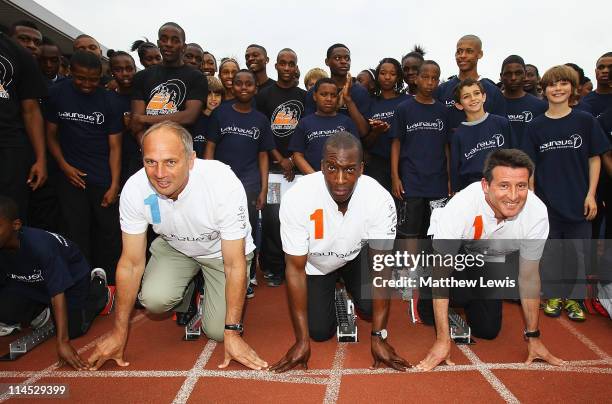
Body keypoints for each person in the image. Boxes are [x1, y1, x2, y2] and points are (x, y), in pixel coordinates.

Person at [87, 121, 267, 371]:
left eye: (170, 162)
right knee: (153, 300)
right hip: (175, 247)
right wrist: (119, 332)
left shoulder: (221, 182)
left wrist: (233, 333)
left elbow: (234, 263)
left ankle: (205, 288)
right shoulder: (135, 189)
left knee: (217, 332)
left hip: (220, 252)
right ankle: (188, 287)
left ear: (191, 160)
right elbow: (130, 263)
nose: (160, 173)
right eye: (150, 162)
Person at [271, 132, 409, 373]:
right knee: (320, 333)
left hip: (355, 256)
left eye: (350, 169)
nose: (340, 179)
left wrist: (378, 336)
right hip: (317, 264)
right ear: (322, 166)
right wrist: (302, 340)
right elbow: (294, 269)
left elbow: (382, 267)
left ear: (361, 169)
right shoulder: (298, 197)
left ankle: (351, 288)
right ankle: (335, 295)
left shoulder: (378, 198)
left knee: (368, 307)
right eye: (332, 168)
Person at [416, 149, 563, 371]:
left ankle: (466, 294)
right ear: (486, 185)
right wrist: (442, 340)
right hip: (451, 252)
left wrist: (533, 336)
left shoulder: (536, 213)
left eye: (521, 186)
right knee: (442, 298)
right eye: (504, 185)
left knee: (488, 330)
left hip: (489, 256)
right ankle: (428, 292)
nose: (513, 196)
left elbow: (529, 276)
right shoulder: (462, 206)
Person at [522, 65, 610, 322]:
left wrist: (591, 194)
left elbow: (595, 158)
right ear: (544, 89)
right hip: (548, 201)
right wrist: (532, 196)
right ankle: (552, 295)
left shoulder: (585, 121)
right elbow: (530, 165)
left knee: (578, 252)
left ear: (572, 88)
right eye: (551, 84)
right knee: (551, 251)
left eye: (563, 83)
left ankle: (574, 298)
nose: (557, 88)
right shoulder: (536, 126)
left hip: (579, 200)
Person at [0, 196, 114, 370]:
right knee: (5, 312)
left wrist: (63, 342)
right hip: (29, 281)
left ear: (15, 225)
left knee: (73, 329)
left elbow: (57, 292)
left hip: (71, 280)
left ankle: (98, 291)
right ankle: (42, 312)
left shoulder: (40, 247)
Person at [45, 50, 123, 283]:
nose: (87, 84)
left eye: (93, 79)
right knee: (76, 230)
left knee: (108, 232)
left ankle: (109, 283)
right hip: (70, 177)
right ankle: (81, 281)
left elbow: (116, 147)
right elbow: (50, 135)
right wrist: (64, 166)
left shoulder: (110, 101)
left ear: (101, 75)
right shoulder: (57, 93)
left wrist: (114, 184)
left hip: (102, 176)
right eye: (81, 78)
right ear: (69, 72)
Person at [205, 69, 275, 297]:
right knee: (219, 227)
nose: (244, 88)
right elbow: (210, 147)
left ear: (255, 88)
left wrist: (263, 188)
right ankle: (221, 273)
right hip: (221, 183)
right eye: (239, 84)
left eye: (249, 84)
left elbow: (264, 155)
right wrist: (207, 178)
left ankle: (247, 274)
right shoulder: (220, 114)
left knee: (249, 228)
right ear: (232, 87)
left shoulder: (261, 120)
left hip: (250, 183)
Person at [255, 48, 307, 286]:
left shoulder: (304, 96)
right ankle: (275, 268)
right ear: (275, 65)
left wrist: (295, 159)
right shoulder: (264, 95)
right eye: (283, 63)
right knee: (273, 219)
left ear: (296, 67)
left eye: (291, 64)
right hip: (275, 170)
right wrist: (280, 157)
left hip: (299, 171)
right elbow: (262, 131)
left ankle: (299, 266)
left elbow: (308, 131)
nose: (287, 68)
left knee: (300, 219)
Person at [390, 60, 450, 238]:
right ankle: (410, 266)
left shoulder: (443, 111)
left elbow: (447, 146)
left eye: (434, 78)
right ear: (416, 79)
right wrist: (395, 177)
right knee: (410, 230)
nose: (430, 82)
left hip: (438, 181)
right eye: (425, 77)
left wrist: (449, 178)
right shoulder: (404, 108)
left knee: (437, 230)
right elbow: (396, 143)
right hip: (411, 180)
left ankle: (435, 266)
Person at [130, 22, 208, 141]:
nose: (169, 44)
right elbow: (136, 124)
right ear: (158, 43)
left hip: (180, 150)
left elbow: (189, 116)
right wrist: (147, 149)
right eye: (164, 39)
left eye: (175, 40)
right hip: (146, 150)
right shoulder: (141, 77)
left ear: (184, 47)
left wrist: (143, 118)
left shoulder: (197, 78)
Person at [0, 32, 47, 221]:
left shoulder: (19, 53)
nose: (32, 44)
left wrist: (40, 158)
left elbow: (31, 110)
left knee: (10, 214)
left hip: (9, 146)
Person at [450, 78, 512, 192]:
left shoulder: (501, 123)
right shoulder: (458, 135)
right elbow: (455, 169)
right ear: (459, 105)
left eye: (476, 93)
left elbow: (515, 155)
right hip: (473, 190)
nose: (473, 98)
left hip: (504, 185)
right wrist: (456, 192)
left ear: (484, 97)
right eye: (466, 96)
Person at [435, 34, 507, 131]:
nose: (462, 56)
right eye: (459, 52)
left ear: (480, 54)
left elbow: (501, 129)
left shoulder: (493, 91)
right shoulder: (442, 90)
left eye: (469, 51)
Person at [290, 78, 358, 174]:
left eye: (333, 95)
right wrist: (314, 177)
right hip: (313, 180)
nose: (329, 99)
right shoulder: (304, 123)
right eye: (323, 94)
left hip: (342, 180)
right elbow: (297, 155)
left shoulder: (347, 122)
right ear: (314, 96)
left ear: (338, 98)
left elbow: (355, 153)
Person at [362, 58, 409, 192]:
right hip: (377, 166)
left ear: (398, 77)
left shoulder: (408, 101)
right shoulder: (370, 103)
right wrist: (376, 131)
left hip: (405, 163)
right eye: (383, 73)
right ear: (377, 76)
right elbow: (366, 143)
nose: (387, 77)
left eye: (392, 74)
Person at [305, 44, 370, 137]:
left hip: (351, 148)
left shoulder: (360, 91)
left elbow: (363, 131)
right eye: (337, 58)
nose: (343, 61)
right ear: (327, 62)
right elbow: (307, 127)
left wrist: (348, 100)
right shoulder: (314, 91)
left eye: (347, 58)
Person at [107, 49, 140, 185]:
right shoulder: (107, 98)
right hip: (114, 161)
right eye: (119, 70)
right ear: (111, 72)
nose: (125, 73)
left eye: (129, 69)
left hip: (138, 161)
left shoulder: (143, 97)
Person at [500, 55, 547, 148]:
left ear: (525, 74)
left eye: (518, 73)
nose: (513, 77)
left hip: (530, 161)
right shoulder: (492, 104)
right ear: (501, 76)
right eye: (508, 73)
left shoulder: (541, 106)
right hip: (499, 160)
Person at [190, 76, 224, 157]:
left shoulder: (224, 120)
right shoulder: (193, 118)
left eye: (217, 95)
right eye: (209, 94)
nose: (213, 98)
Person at [582, 52, 612, 118]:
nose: (605, 71)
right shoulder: (583, 102)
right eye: (601, 67)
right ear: (596, 71)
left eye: (610, 67)